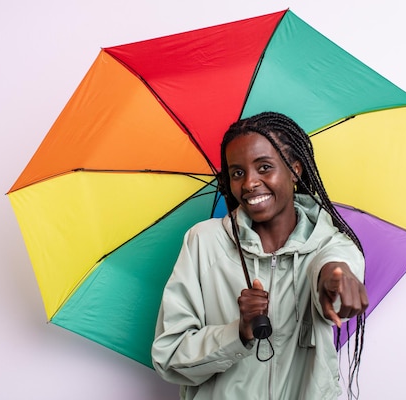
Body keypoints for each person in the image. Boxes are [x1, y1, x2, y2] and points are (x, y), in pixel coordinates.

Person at [152, 112, 368, 399]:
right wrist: (238, 333)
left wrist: (334, 276)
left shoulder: (330, 243)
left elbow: (334, 266)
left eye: (264, 167)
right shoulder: (203, 242)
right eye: (237, 173)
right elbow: (169, 357)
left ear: (295, 170)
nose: (250, 183)